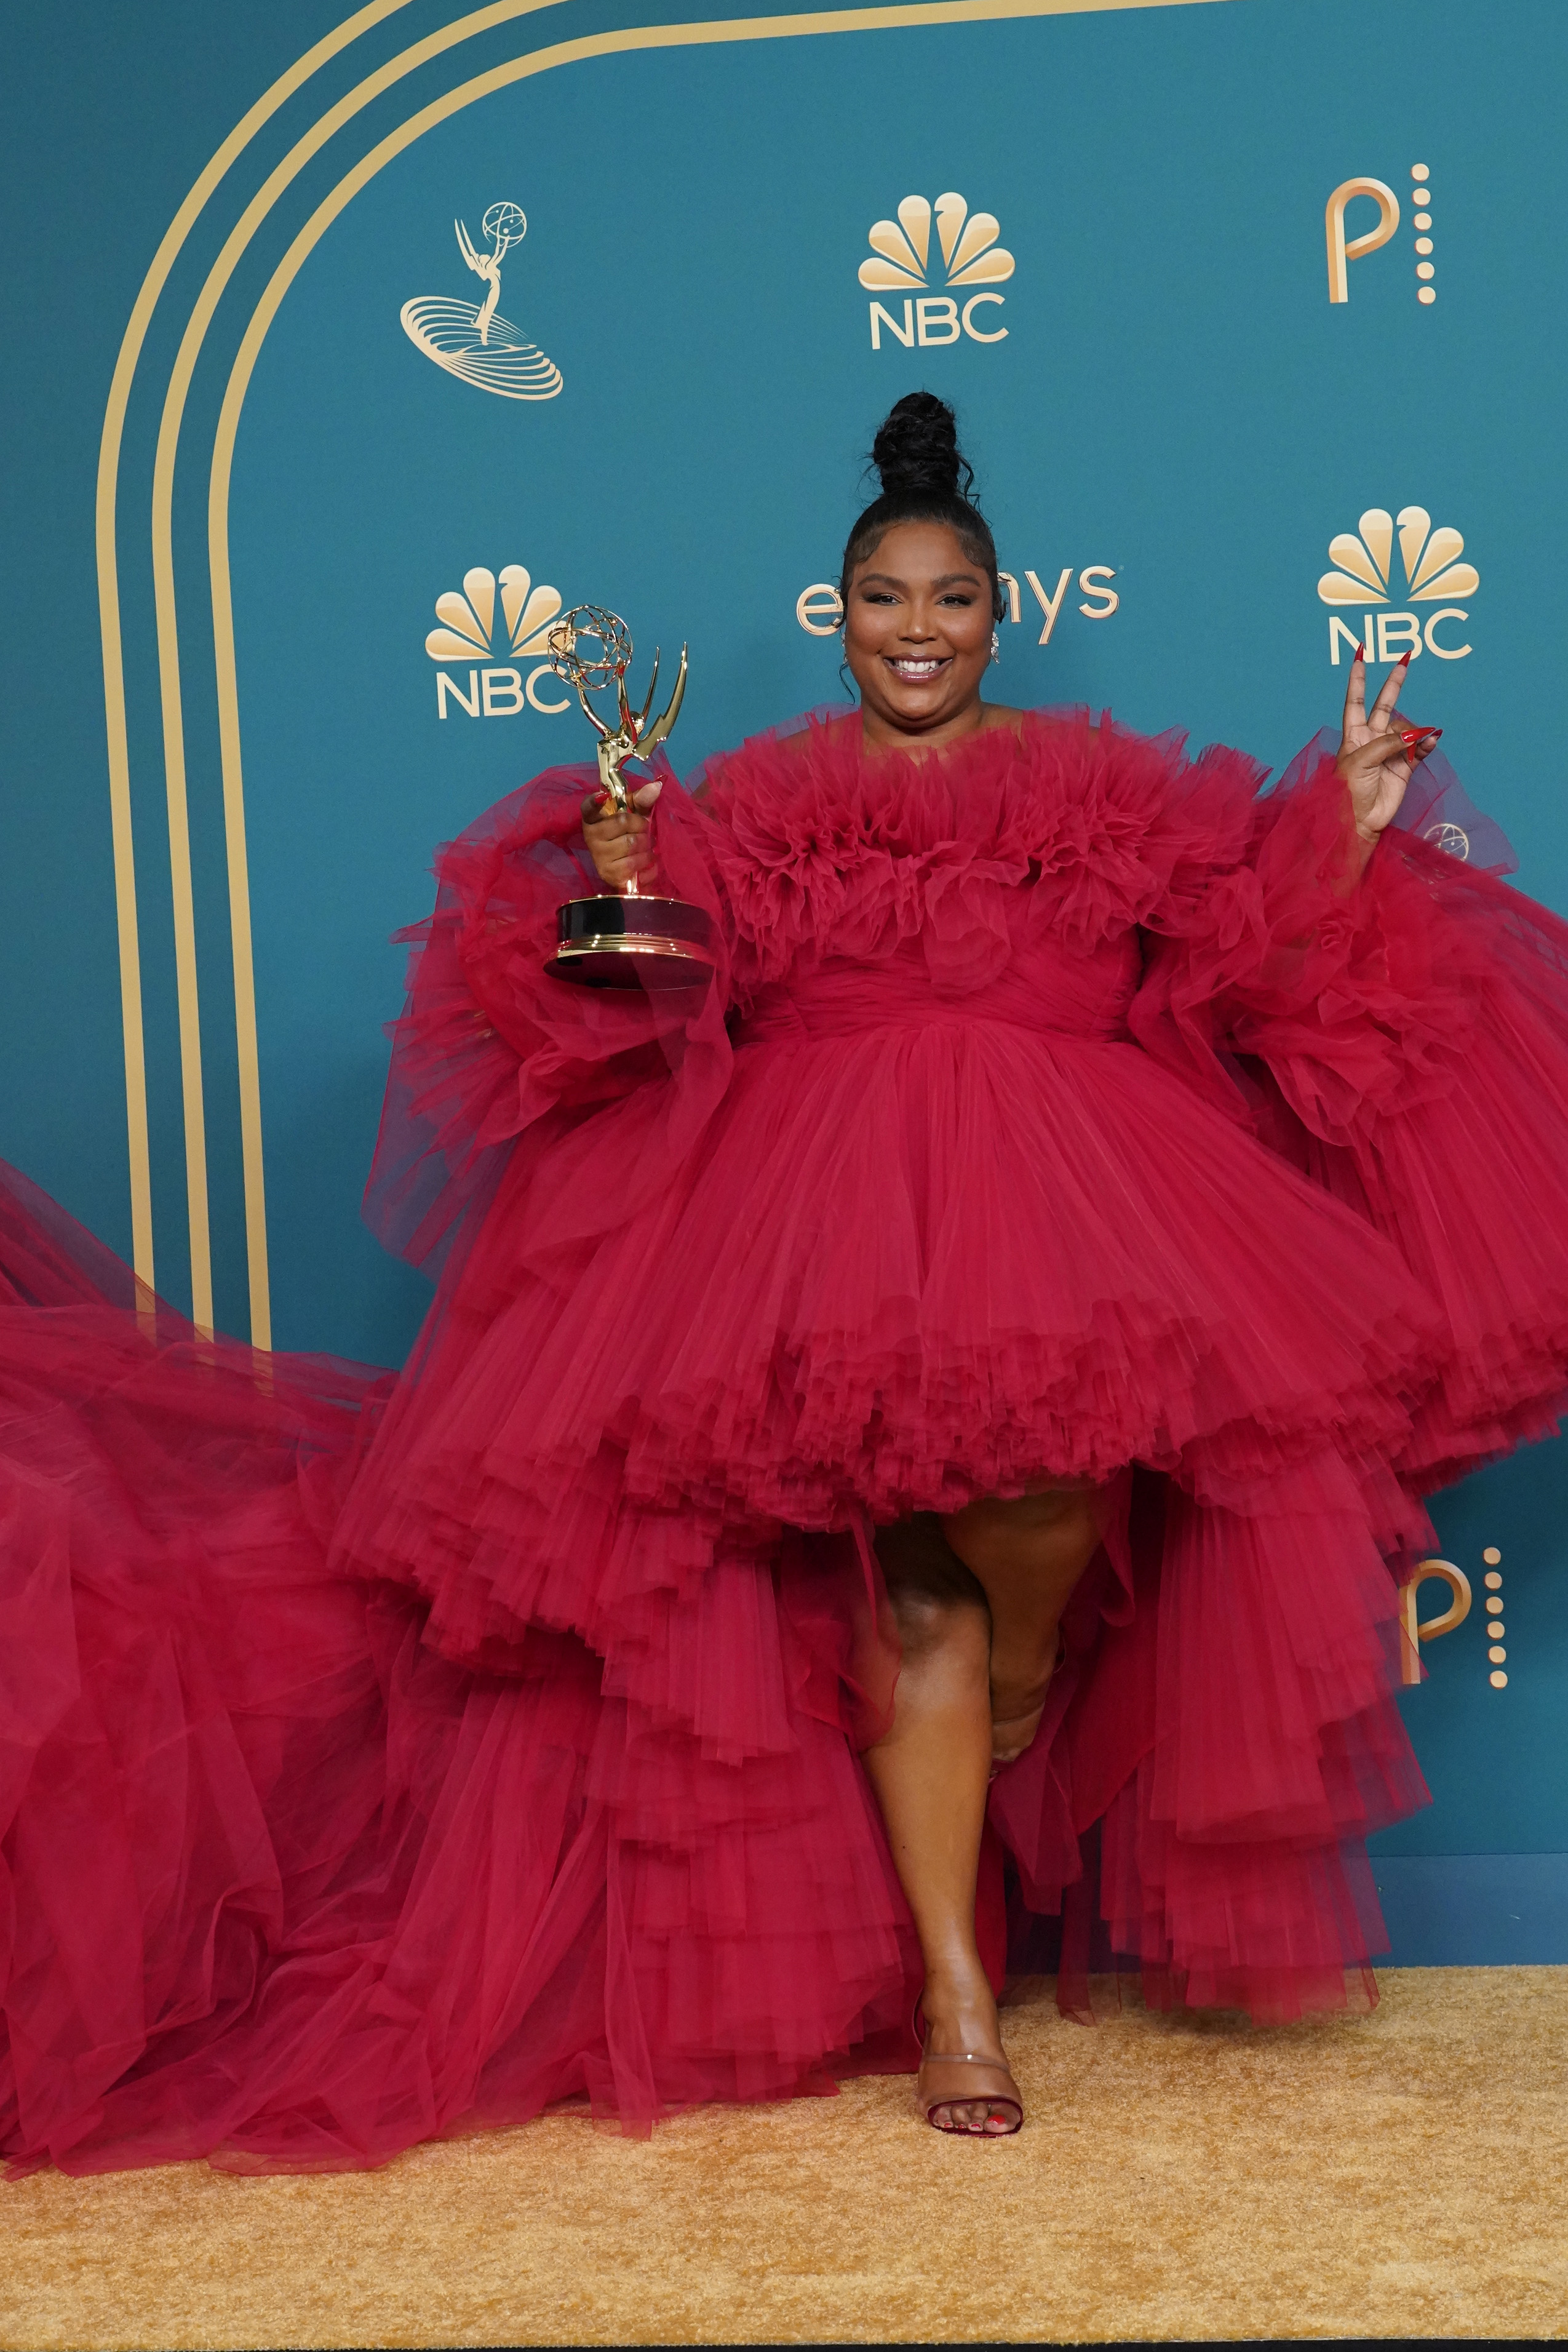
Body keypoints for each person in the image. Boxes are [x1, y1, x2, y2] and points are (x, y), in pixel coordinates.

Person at [3, 394, 1567, 2174]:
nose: (919, 629)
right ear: (840, 620)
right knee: (912, 1606)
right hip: (807, 1251)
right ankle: (955, 1995)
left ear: (1004, 614)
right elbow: (655, 995)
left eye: (952, 599)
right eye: (886, 600)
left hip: (1080, 1211)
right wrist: (605, 896)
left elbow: (1242, 946)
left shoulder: (1104, 787)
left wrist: (1352, 819)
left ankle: (1041, 1670)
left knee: (1037, 1527)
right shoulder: (745, 800)